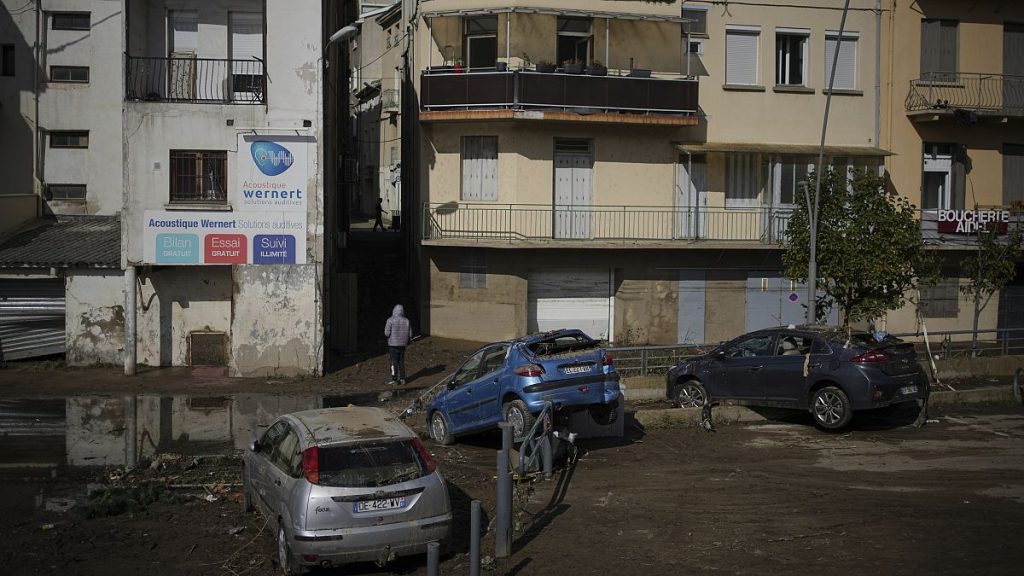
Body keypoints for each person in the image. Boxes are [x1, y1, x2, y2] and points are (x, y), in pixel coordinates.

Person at [384, 304, 411, 385]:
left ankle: (394, 379)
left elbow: (386, 333)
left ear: (394, 310)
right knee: (401, 362)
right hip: (403, 345)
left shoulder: (390, 320)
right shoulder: (407, 320)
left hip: (392, 344)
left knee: (393, 362)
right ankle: (402, 379)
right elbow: (410, 334)